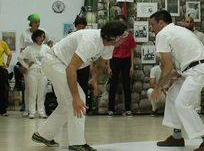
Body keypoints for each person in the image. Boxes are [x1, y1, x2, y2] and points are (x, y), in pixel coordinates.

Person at [31, 21, 128, 151]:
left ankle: (43, 134)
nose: (126, 37)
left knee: (66, 104)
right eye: (123, 36)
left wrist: (94, 79)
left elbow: (100, 64)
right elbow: (71, 68)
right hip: (55, 61)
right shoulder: (91, 41)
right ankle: (77, 143)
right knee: (78, 99)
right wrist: (76, 97)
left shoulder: (108, 45)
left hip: (61, 64)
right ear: (114, 38)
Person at [150, 10, 204, 151]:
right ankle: (176, 137)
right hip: (195, 69)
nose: (152, 28)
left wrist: (157, 88)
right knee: (173, 94)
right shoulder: (177, 30)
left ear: (161, 23)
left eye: (152, 24)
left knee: (182, 103)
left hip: (198, 70)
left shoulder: (162, 34)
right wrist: (171, 77)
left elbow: (166, 67)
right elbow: (173, 65)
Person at [184, 15, 204, 114]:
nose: (189, 24)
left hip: (197, 64)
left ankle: (197, 109)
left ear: (194, 23)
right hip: (185, 63)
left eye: (191, 22)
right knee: (186, 86)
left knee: (196, 87)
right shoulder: (182, 34)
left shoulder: (199, 35)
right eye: (187, 22)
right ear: (184, 22)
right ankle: (187, 109)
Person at [107, 16, 136, 117]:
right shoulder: (113, 36)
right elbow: (108, 51)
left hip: (126, 60)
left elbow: (132, 51)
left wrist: (132, 66)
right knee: (113, 86)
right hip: (114, 60)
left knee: (127, 86)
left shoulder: (129, 36)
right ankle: (110, 109)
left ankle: (128, 109)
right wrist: (109, 67)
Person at [18, 29, 50, 119]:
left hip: (43, 72)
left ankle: (41, 112)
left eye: (43, 36)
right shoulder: (29, 48)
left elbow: (51, 59)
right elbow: (20, 58)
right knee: (32, 93)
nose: (42, 38)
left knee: (42, 93)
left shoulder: (47, 48)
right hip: (32, 72)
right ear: (35, 37)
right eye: (40, 36)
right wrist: (27, 66)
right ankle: (31, 112)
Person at [73, 17, 93, 113]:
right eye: (79, 25)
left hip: (85, 64)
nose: (80, 27)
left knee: (84, 85)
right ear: (76, 26)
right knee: (73, 84)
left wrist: (91, 64)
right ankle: (74, 105)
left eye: (82, 26)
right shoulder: (72, 36)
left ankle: (84, 106)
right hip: (74, 65)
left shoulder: (87, 37)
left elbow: (90, 52)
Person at [0, 39, 12, 116]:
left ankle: (2, 110)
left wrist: (7, 64)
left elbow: (10, 54)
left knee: (2, 90)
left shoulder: (2, 43)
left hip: (1, 68)